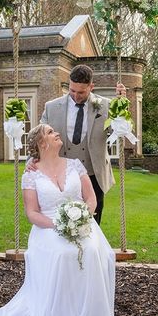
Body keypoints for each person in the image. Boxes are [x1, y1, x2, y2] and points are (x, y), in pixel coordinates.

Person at [0, 124, 123, 316]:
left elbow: (91, 199)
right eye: (51, 133)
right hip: (47, 226)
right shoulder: (31, 175)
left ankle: (91, 312)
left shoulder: (75, 165)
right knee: (61, 252)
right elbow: (32, 213)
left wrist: (82, 218)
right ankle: (61, 313)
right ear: (42, 143)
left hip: (82, 224)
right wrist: (58, 224)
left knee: (91, 249)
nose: (56, 133)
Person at [38, 64, 125, 225]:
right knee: (62, 221)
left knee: (92, 224)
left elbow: (120, 132)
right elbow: (40, 138)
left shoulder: (106, 106)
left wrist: (122, 105)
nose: (76, 96)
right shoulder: (51, 107)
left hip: (94, 174)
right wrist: (34, 161)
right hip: (61, 175)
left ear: (91, 86)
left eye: (81, 92)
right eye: (72, 90)